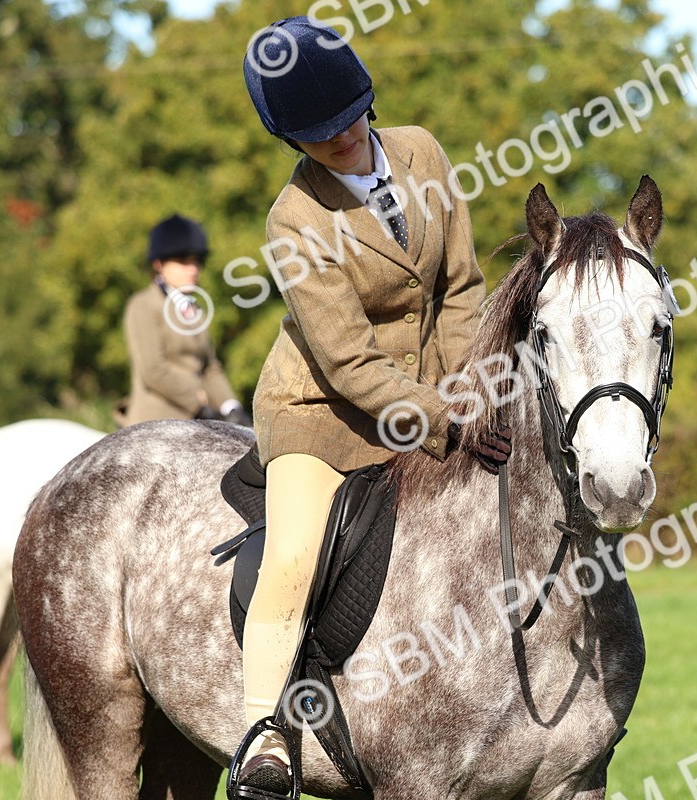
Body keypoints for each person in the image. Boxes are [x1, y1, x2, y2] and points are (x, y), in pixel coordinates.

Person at [234, 16, 503, 795]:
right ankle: (263, 734)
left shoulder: (422, 150)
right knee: (293, 555)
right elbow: (348, 361)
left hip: (434, 394)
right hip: (320, 410)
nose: (340, 140)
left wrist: (466, 392)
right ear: (293, 142)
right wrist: (445, 420)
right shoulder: (294, 220)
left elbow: (460, 286)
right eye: (317, 137)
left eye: (347, 120)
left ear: (368, 98)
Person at [121, 214, 251, 427]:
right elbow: (153, 369)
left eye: (196, 262)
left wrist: (231, 407)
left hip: (198, 420)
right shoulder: (143, 305)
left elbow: (210, 368)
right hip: (155, 421)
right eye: (183, 262)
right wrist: (197, 400)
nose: (193, 270)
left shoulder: (195, 310)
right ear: (159, 264)